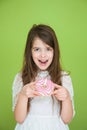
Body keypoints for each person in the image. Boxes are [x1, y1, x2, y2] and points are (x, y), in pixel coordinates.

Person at [12, 24, 75, 130]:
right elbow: (19, 119)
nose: (43, 55)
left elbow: (66, 119)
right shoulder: (21, 78)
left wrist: (66, 98)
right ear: (30, 52)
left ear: (55, 51)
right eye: (37, 49)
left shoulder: (64, 78)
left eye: (48, 49)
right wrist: (23, 95)